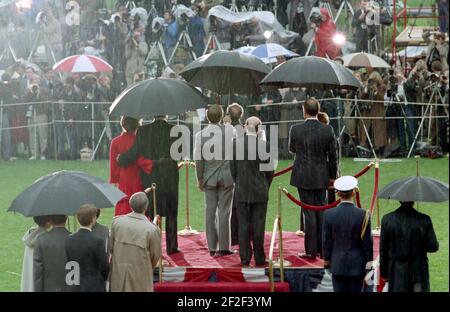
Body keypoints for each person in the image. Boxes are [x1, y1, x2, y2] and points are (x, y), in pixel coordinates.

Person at [118, 115, 180, 254]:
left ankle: (151, 245)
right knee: (171, 211)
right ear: (165, 114)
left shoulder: (144, 130)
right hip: (169, 175)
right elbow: (180, 154)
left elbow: (135, 151)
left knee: (152, 211)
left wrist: (122, 159)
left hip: (151, 175)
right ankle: (172, 246)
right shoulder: (175, 129)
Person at [289, 98, 338, 259]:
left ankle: (312, 250)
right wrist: (332, 176)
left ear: (304, 111)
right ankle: (322, 249)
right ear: (318, 110)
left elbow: (292, 149)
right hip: (320, 174)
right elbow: (333, 156)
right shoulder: (327, 129)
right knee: (321, 210)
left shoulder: (296, 129)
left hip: (304, 174)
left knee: (309, 212)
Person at [231, 117, 274, 266]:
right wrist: (264, 185)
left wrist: (241, 183)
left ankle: (245, 257)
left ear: (245, 127)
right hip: (259, 190)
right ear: (259, 129)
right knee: (258, 225)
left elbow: (233, 170)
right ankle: (259, 258)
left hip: (243, 189)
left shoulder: (235, 145)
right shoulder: (265, 145)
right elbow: (270, 172)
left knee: (243, 225)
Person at [195, 105, 235, 256]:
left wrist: (200, 179)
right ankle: (224, 247)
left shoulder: (201, 135)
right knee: (224, 212)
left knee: (210, 212)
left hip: (210, 176)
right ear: (221, 115)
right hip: (226, 175)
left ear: (207, 117)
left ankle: (212, 247)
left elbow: (199, 160)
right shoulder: (230, 130)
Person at [323, 176, 373, 292]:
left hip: (337, 264)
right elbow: (367, 242)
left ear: (338, 194)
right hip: (357, 265)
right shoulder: (363, 214)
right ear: (354, 193)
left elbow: (327, 240)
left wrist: (326, 260)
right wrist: (369, 262)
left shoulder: (329, 214)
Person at [380, 201, 439, 292]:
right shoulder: (424, 219)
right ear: (413, 200)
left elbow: (383, 250)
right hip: (418, 273)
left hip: (396, 272)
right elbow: (433, 246)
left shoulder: (387, 219)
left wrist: (384, 273)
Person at [109, 192, 161, 292]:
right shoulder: (152, 229)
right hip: (140, 276)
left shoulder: (117, 222)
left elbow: (111, 248)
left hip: (119, 275)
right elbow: (155, 257)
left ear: (130, 205)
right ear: (146, 207)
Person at [65, 205, 109, 292]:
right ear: (93, 219)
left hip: (76, 284)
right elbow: (104, 267)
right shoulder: (97, 241)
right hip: (94, 285)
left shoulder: (69, 239)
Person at [110, 116, 144, 216]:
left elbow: (113, 166)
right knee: (139, 206)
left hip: (123, 179)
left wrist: (114, 180)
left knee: (123, 208)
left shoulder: (115, 142)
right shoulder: (141, 141)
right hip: (139, 178)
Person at [34, 215, 71, 292]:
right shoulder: (75, 239)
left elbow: (38, 271)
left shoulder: (41, 240)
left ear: (50, 220)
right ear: (66, 218)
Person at [227, 102, 244, 247]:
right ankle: (237, 235)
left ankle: (233, 236)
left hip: (231, 171)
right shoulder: (243, 129)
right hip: (239, 171)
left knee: (230, 206)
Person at [20, 216, 51, 292]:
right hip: (40, 276)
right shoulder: (46, 238)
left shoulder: (30, 234)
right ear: (48, 222)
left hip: (29, 273)